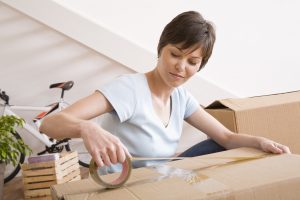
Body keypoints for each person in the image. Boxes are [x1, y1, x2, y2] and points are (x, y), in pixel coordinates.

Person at [40, 11, 290, 172]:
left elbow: (225, 137)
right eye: (175, 55)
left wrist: (261, 142)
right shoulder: (129, 89)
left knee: (218, 145)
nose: (181, 67)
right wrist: (87, 127)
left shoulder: (180, 97)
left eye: (192, 62)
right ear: (161, 49)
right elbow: (49, 124)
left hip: (162, 177)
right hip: (125, 186)